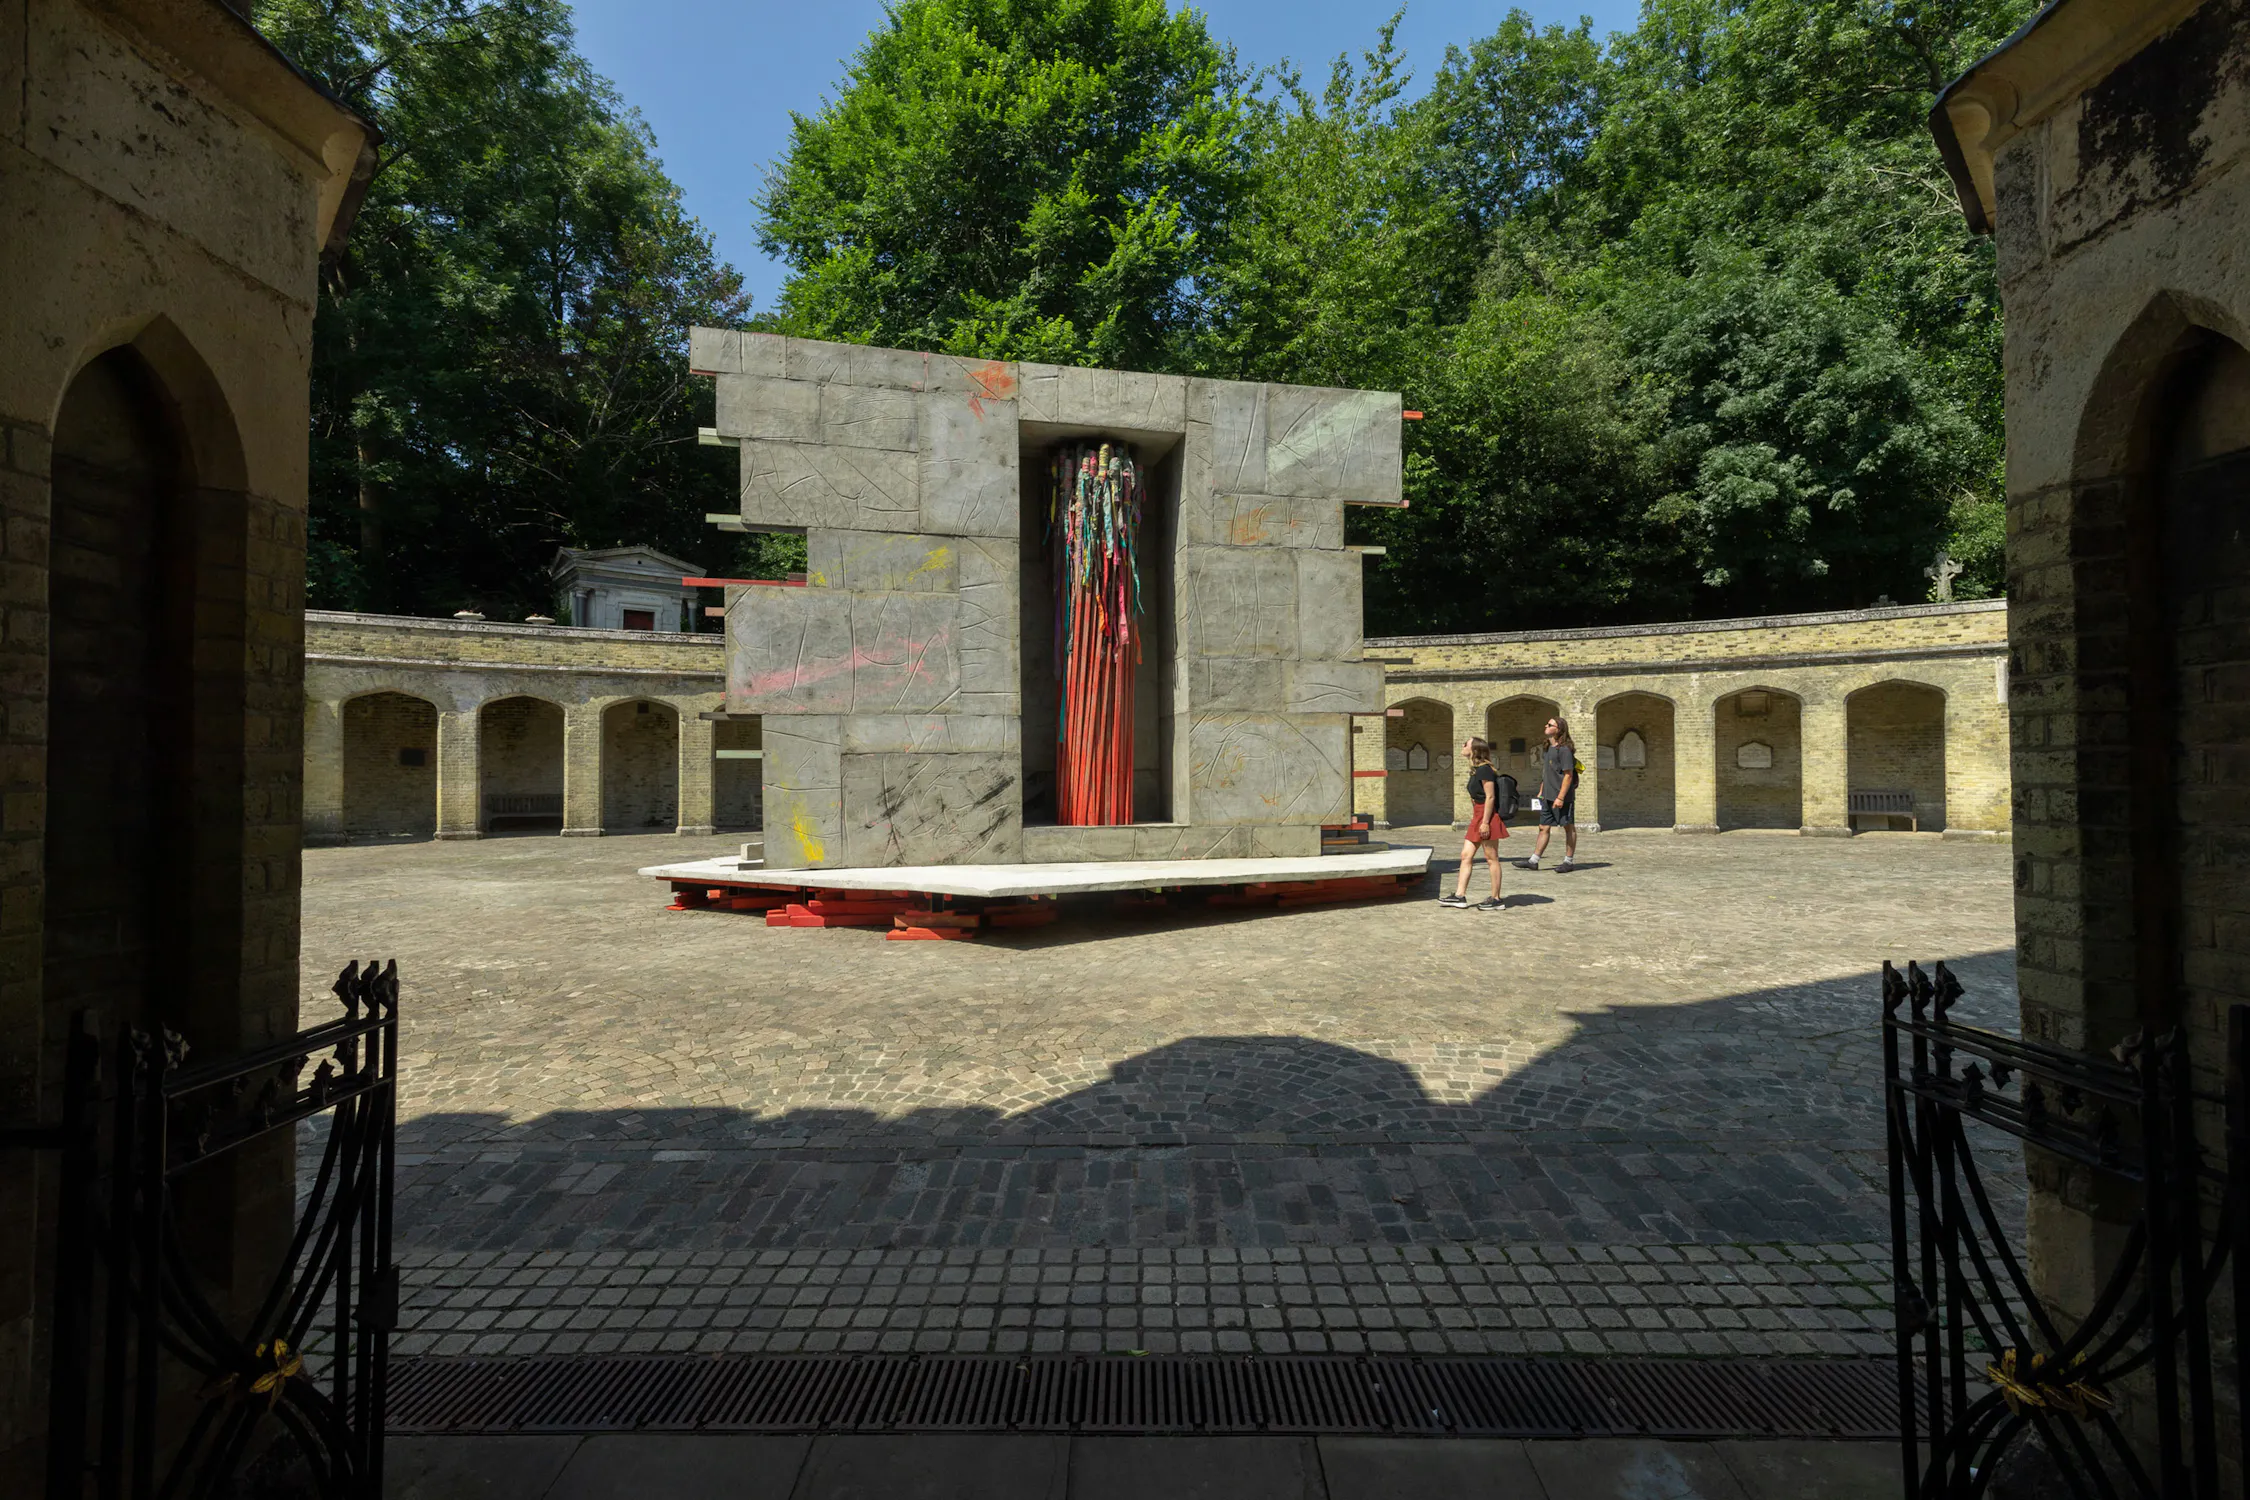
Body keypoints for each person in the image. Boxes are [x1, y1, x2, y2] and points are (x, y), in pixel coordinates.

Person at [1440, 736, 1509, 910]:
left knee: (1491, 858)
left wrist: (1485, 822)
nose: (1463, 746)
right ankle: (1459, 896)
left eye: (1466, 744)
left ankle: (1496, 899)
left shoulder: (1485, 769)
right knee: (1466, 855)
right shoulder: (1476, 770)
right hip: (1477, 815)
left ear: (1475, 749)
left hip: (1486, 816)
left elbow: (1490, 797)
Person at [1522, 715, 1578, 872]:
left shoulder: (1564, 750)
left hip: (1561, 797)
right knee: (1543, 827)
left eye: (1550, 724)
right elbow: (1547, 772)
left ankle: (1569, 862)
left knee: (1568, 827)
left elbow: (1568, 775)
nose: (1546, 726)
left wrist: (1560, 797)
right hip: (1547, 795)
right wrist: (1542, 790)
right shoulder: (1548, 748)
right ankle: (1534, 861)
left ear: (1558, 729)